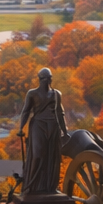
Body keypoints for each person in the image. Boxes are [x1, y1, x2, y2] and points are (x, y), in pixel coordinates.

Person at [17, 68, 68, 197]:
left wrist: (65, 131)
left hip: (53, 127)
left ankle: (51, 187)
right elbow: (26, 111)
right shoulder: (32, 93)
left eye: (50, 78)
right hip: (38, 125)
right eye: (46, 78)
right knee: (38, 154)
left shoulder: (56, 94)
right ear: (40, 80)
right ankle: (30, 186)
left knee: (53, 158)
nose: (48, 81)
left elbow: (60, 113)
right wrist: (21, 127)